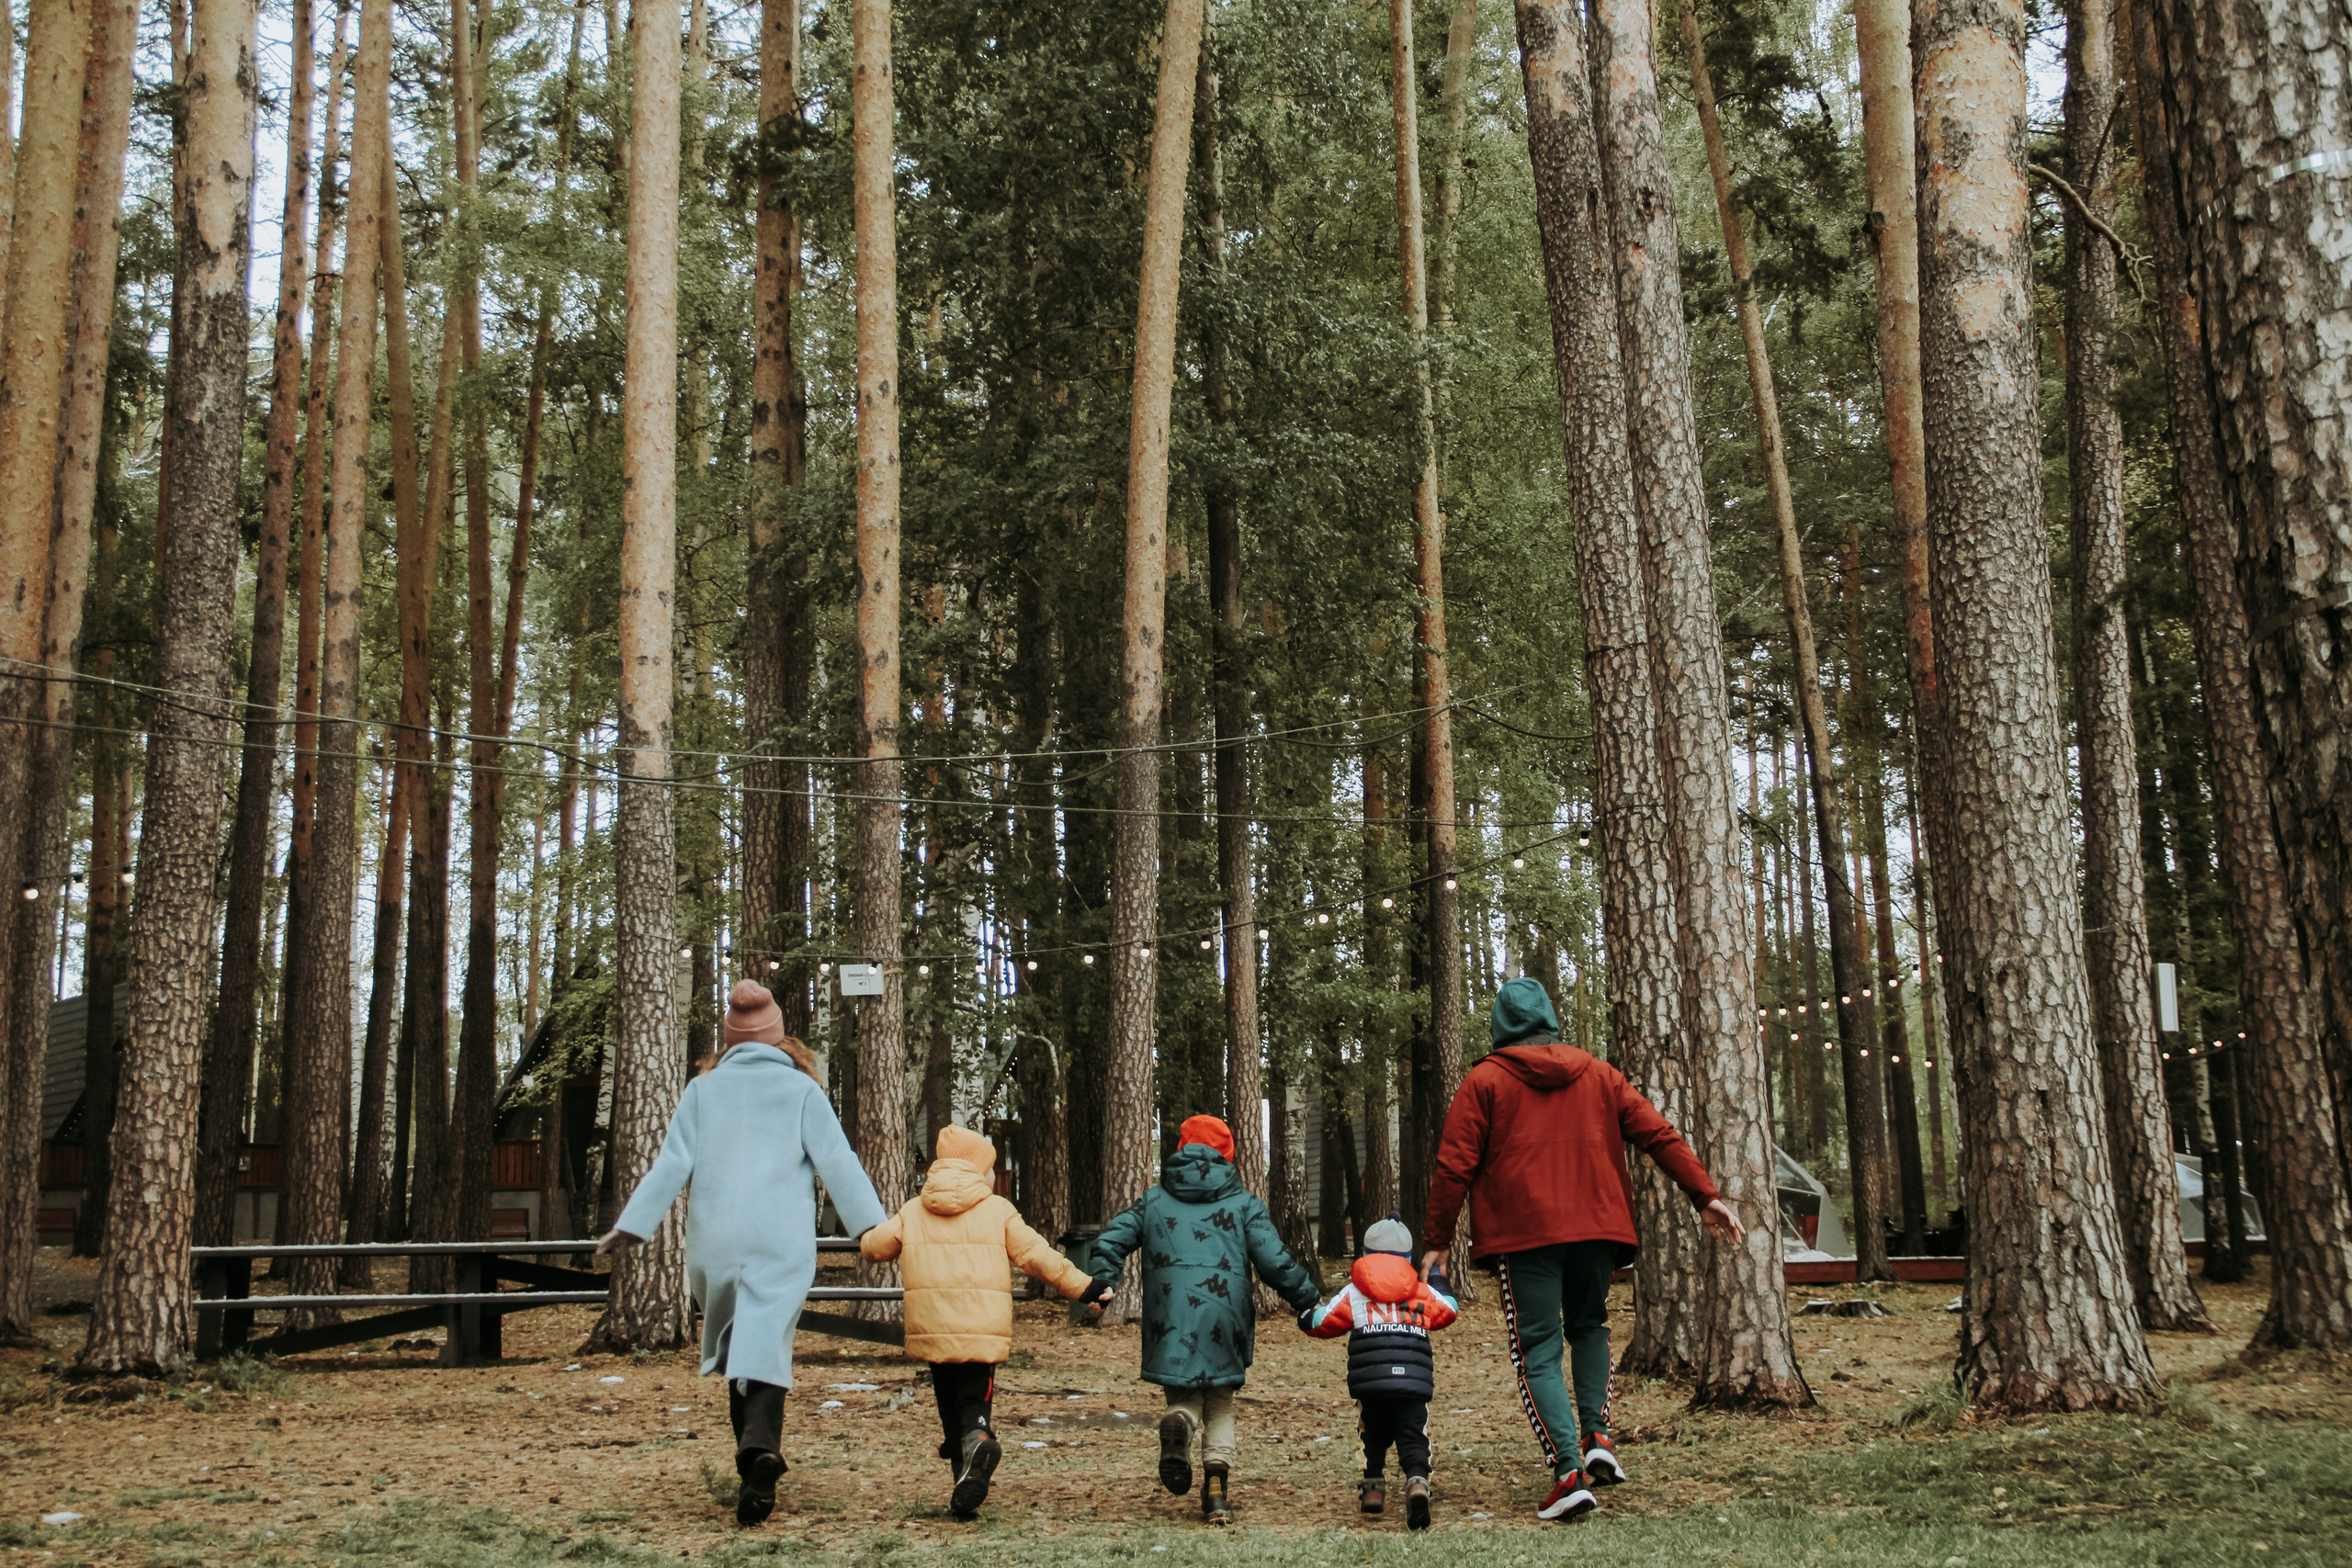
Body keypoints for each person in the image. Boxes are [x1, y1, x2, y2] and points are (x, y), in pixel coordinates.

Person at [1420, 976, 1747, 1523]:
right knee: (1590, 1328)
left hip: (1526, 1237)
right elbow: (1658, 1134)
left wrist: (1436, 1241)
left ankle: (1568, 1473)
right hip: (1598, 1229)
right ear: (1550, 1020)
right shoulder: (1599, 1074)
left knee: (1538, 1351)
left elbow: (1455, 1164)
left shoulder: (1484, 1081)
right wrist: (1704, 1195)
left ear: (1500, 1027)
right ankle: (1598, 1434)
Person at [597, 981, 888, 1528]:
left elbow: (670, 1166)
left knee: (737, 1345)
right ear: (780, 1037)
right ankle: (759, 1449)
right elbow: (839, 1161)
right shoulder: (802, 1091)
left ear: (729, 1040)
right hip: (780, 1238)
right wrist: (872, 1228)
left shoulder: (702, 1090)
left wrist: (633, 1226)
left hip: (717, 1240)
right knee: (767, 1341)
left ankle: (752, 1459)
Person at [1084, 1113, 1321, 1525]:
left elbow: (1111, 1238)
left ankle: (1181, 1419)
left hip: (1169, 1312)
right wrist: (1307, 1301)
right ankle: (1216, 1494)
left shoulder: (1154, 1200)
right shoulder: (1244, 1203)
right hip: (1223, 1312)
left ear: (1181, 1150)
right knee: (1222, 1403)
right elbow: (1274, 1262)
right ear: (1228, 1155)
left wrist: (1105, 1281)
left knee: (1184, 1395)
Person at [859, 1123, 1097, 1519]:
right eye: (990, 1167)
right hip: (980, 1329)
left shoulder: (913, 1211)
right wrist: (1084, 1287)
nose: (992, 1174)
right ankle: (980, 1439)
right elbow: (1036, 1255)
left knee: (948, 1405)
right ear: (976, 1170)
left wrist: (868, 1232)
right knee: (974, 1402)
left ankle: (962, 1480)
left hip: (933, 1329)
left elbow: (875, 1248)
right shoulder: (998, 1209)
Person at [1300, 1213, 1460, 1530]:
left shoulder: (1353, 1293)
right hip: (1413, 1384)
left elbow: (1322, 1322)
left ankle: (1373, 1487)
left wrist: (1305, 1315)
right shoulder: (1421, 1292)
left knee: (1370, 1434)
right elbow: (1449, 1310)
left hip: (1370, 1384)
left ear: (1365, 1254)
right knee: (1414, 1436)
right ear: (1408, 1258)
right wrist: (1439, 1278)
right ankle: (1416, 1483)